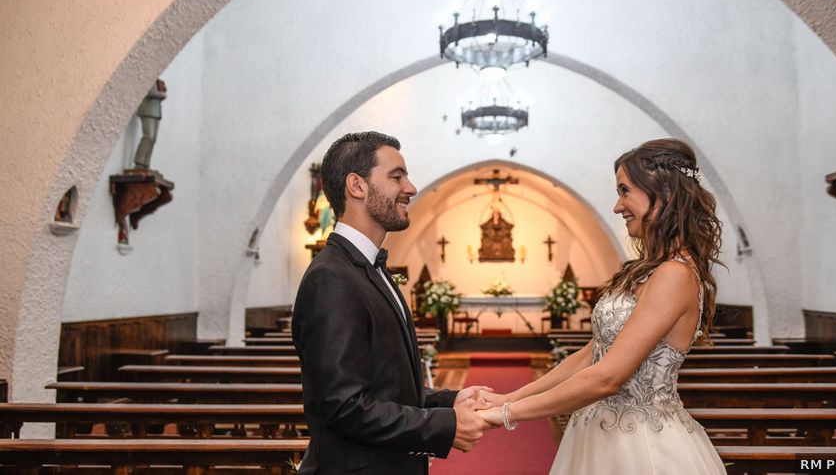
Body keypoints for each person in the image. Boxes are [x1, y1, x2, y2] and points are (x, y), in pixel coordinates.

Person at [476, 138, 727, 474]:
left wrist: (506, 414)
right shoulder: (650, 268)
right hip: (599, 431)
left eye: (625, 191)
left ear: (663, 193)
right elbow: (592, 354)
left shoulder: (675, 274)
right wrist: (512, 396)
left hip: (642, 446)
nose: (617, 206)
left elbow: (608, 377)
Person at [291, 131, 491, 474]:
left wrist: (448, 400)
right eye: (397, 177)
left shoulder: (367, 268)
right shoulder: (332, 278)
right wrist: (444, 425)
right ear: (357, 186)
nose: (411, 188)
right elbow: (343, 407)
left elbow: (386, 386)